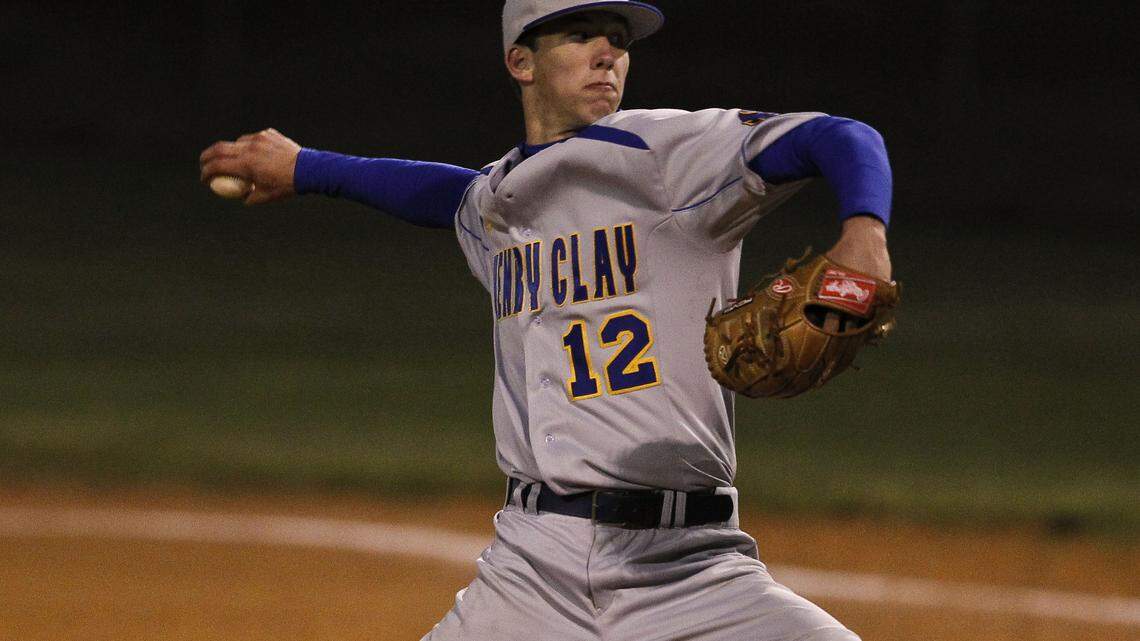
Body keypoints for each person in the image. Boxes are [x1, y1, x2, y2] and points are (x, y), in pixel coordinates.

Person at [199, 1, 892, 639]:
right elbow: (439, 193)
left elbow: (840, 136)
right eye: (580, 35)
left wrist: (865, 233)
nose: (607, 53)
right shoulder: (496, 202)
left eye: (618, 40)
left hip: (694, 568)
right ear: (520, 62)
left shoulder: (668, 156)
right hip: (533, 566)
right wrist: (307, 167)